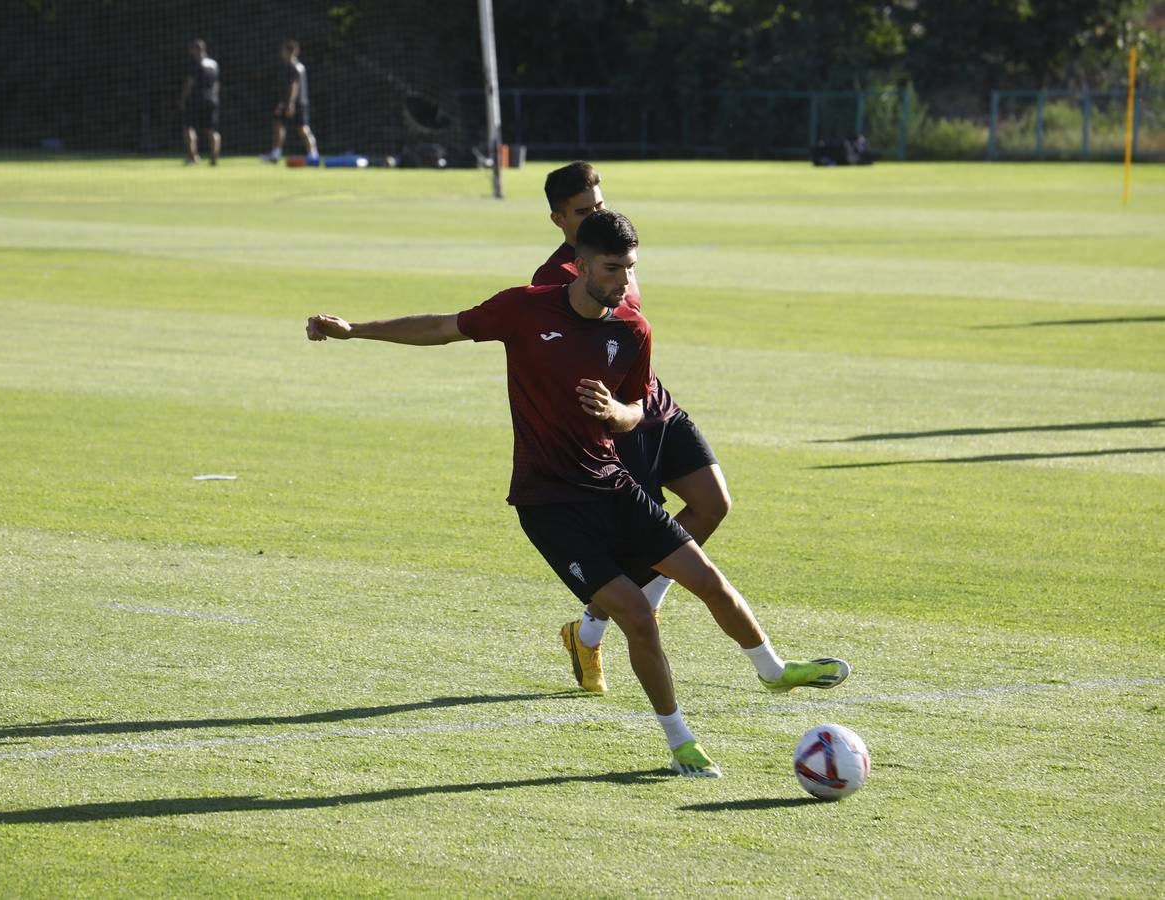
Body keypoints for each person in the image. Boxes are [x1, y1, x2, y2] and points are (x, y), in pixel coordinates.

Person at [306, 210, 850, 777]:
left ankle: (771, 669)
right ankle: (681, 742)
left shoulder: (631, 330)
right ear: (581, 263)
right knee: (640, 615)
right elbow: (444, 327)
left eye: (630, 269)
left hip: (612, 487)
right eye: (613, 269)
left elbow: (640, 407)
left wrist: (617, 413)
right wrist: (357, 330)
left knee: (709, 580)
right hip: (550, 506)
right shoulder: (524, 307)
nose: (622, 282)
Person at [534, 162, 733, 696]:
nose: (596, 215)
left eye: (599, 205)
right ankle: (600, 627)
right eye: (583, 212)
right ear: (559, 220)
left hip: (650, 402)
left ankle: (594, 627)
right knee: (651, 536)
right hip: (612, 424)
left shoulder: (618, 249)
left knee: (713, 505)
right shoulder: (552, 282)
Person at [263, 39, 319, 164]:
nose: (281, 53)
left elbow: (294, 86)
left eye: (283, 50)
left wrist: (290, 104)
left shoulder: (293, 67)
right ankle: (276, 153)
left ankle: (313, 154)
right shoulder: (294, 66)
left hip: (296, 103)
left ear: (290, 51)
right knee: (278, 124)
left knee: (303, 128)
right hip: (290, 102)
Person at [180, 38, 221, 166]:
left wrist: (183, 99)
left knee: (189, 128)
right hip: (212, 100)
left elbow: (189, 83)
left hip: (196, 100)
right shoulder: (214, 64)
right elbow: (217, 83)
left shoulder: (196, 63)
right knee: (211, 129)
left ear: (197, 49)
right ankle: (214, 157)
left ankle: (192, 156)